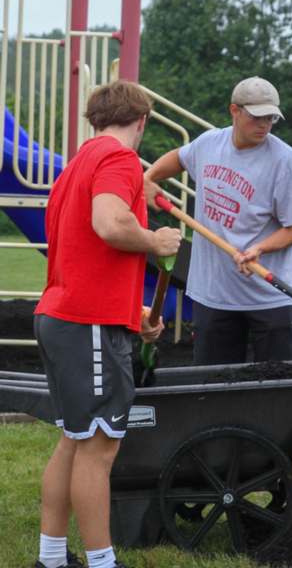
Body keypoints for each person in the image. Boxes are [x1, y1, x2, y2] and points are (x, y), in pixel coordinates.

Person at [33, 81, 182, 568]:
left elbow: (85, 252)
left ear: (95, 119)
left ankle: (52, 559)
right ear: (142, 122)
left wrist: (131, 313)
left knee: (75, 439)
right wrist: (155, 240)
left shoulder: (76, 164)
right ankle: (102, 562)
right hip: (86, 320)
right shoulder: (119, 161)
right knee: (98, 447)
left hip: (65, 315)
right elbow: (110, 226)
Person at [142, 76, 292, 490]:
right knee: (211, 396)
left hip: (269, 299)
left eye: (272, 117)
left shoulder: (285, 162)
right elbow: (176, 160)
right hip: (215, 297)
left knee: (287, 399)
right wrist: (148, 180)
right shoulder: (208, 145)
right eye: (257, 117)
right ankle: (213, 480)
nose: (265, 124)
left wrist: (259, 249)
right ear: (234, 111)